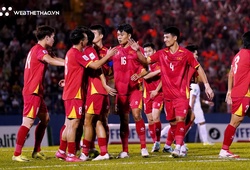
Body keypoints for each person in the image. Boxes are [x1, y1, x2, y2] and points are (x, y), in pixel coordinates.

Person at [134, 26, 214, 158]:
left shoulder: (185, 54)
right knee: (173, 123)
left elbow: (198, 68)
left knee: (181, 118)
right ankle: (176, 145)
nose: (164, 39)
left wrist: (207, 85)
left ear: (175, 38)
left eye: (167, 37)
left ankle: (178, 147)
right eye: (164, 37)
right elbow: (145, 60)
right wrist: (138, 51)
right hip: (167, 96)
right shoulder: (161, 53)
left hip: (181, 94)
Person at [12, 25, 65, 162]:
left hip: (37, 91)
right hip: (32, 91)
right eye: (52, 37)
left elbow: (55, 58)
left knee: (45, 119)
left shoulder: (38, 49)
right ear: (47, 37)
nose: (54, 39)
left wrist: (69, 62)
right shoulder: (39, 50)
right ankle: (17, 154)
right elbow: (50, 60)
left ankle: (36, 150)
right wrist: (68, 64)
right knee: (27, 123)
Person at [112, 23, 149, 158]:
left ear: (129, 36)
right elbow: (109, 70)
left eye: (122, 34)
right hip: (120, 91)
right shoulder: (114, 51)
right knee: (123, 120)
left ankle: (143, 147)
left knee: (137, 114)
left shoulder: (137, 49)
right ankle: (125, 150)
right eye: (118, 34)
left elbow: (146, 67)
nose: (119, 37)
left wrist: (139, 75)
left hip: (135, 89)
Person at [79, 28, 117, 161]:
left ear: (101, 36)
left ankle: (85, 152)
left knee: (89, 121)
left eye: (94, 34)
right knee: (99, 121)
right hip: (100, 89)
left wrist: (108, 82)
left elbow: (105, 69)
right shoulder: (102, 51)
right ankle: (102, 152)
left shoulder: (93, 50)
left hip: (96, 89)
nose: (90, 36)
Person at [219, 31, 250, 158]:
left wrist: (229, 91)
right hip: (243, 93)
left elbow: (231, 73)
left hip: (239, 92)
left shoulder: (238, 54)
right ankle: (224, 150)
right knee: (235, 122)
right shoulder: (248, 55)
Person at [131, 42, 163, 152]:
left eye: (149, 51)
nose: (147, 53)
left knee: (155, 117)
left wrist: (157, 90)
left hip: (158, 93)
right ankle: (155, 142)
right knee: (150, 120)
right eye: (145, 52)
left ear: (154, 52)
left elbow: (163, 79)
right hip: (147, 94)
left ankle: (158, 141)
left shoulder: (159, 62)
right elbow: (146, 76)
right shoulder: (143, 65)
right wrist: (159, 71)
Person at [186, 44, 214, 145]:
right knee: (186, 122)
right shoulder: (189, 66)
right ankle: (173, 139)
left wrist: (206, 101)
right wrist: (190, 107)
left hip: (191, 95)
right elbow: (193, 97)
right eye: (195, 54)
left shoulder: (192, 66)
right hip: (188, 94)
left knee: (196, 122)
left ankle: (205, 141)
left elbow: (196, 97)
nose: (197, 56)